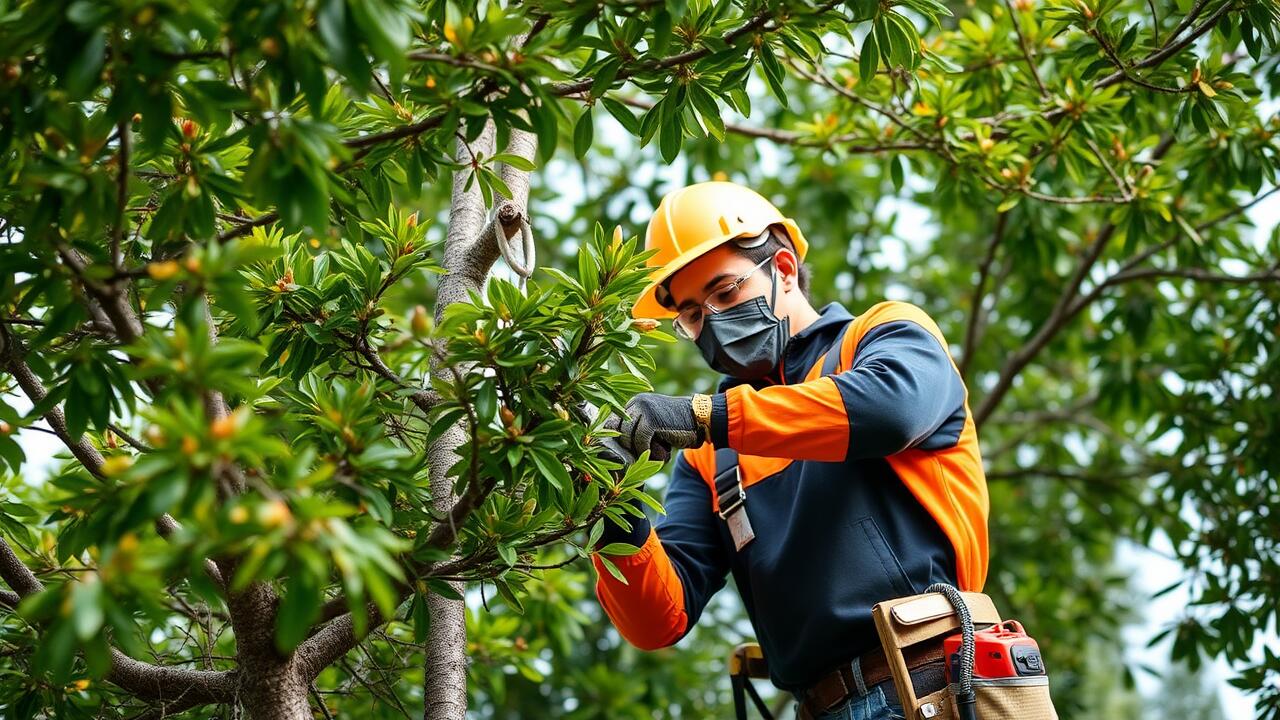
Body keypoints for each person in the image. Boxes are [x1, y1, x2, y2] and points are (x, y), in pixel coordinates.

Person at [595, 181, 990, 720]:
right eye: (692, 314)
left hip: (933, 687)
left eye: (725, 293)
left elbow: (891, 411)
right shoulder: (710, 456)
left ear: (782, 269)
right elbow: (659, 620)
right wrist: (612, 503)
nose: (712, 322)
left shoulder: (882, 337)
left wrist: (707, 417)